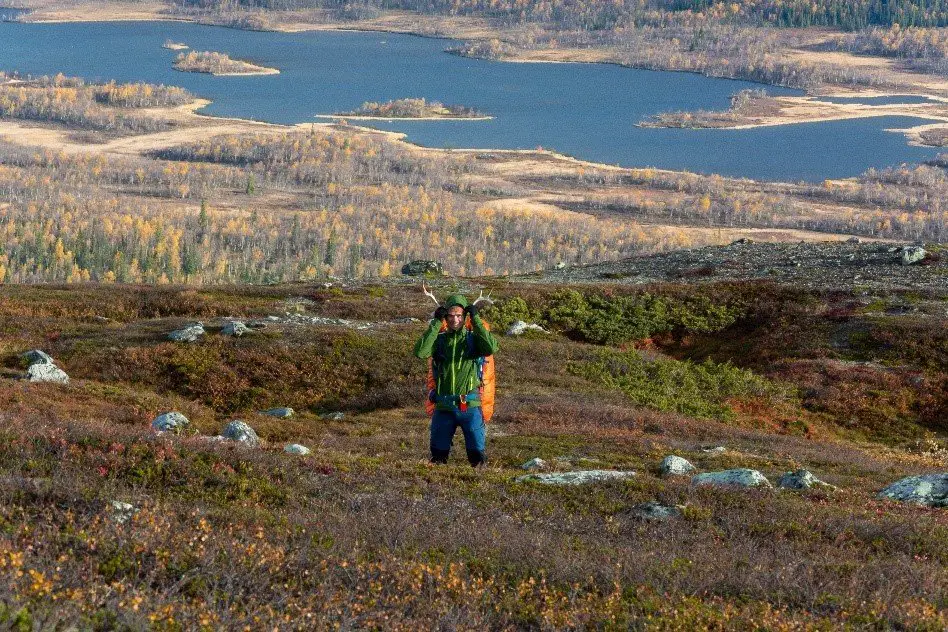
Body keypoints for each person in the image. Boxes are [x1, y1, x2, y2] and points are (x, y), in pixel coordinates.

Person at [413, 293, 498, 466]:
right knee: (437, 459)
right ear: (446, 317)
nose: (455, 320)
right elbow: (420, 352)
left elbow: (491, 347)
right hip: (443, 408)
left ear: (464, 316)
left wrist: (475, 318)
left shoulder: (474, 341)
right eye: (450, 316)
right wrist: (436, 322)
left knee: (478, 460)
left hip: (471, 408)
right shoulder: (439, 341)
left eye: (459, 315)